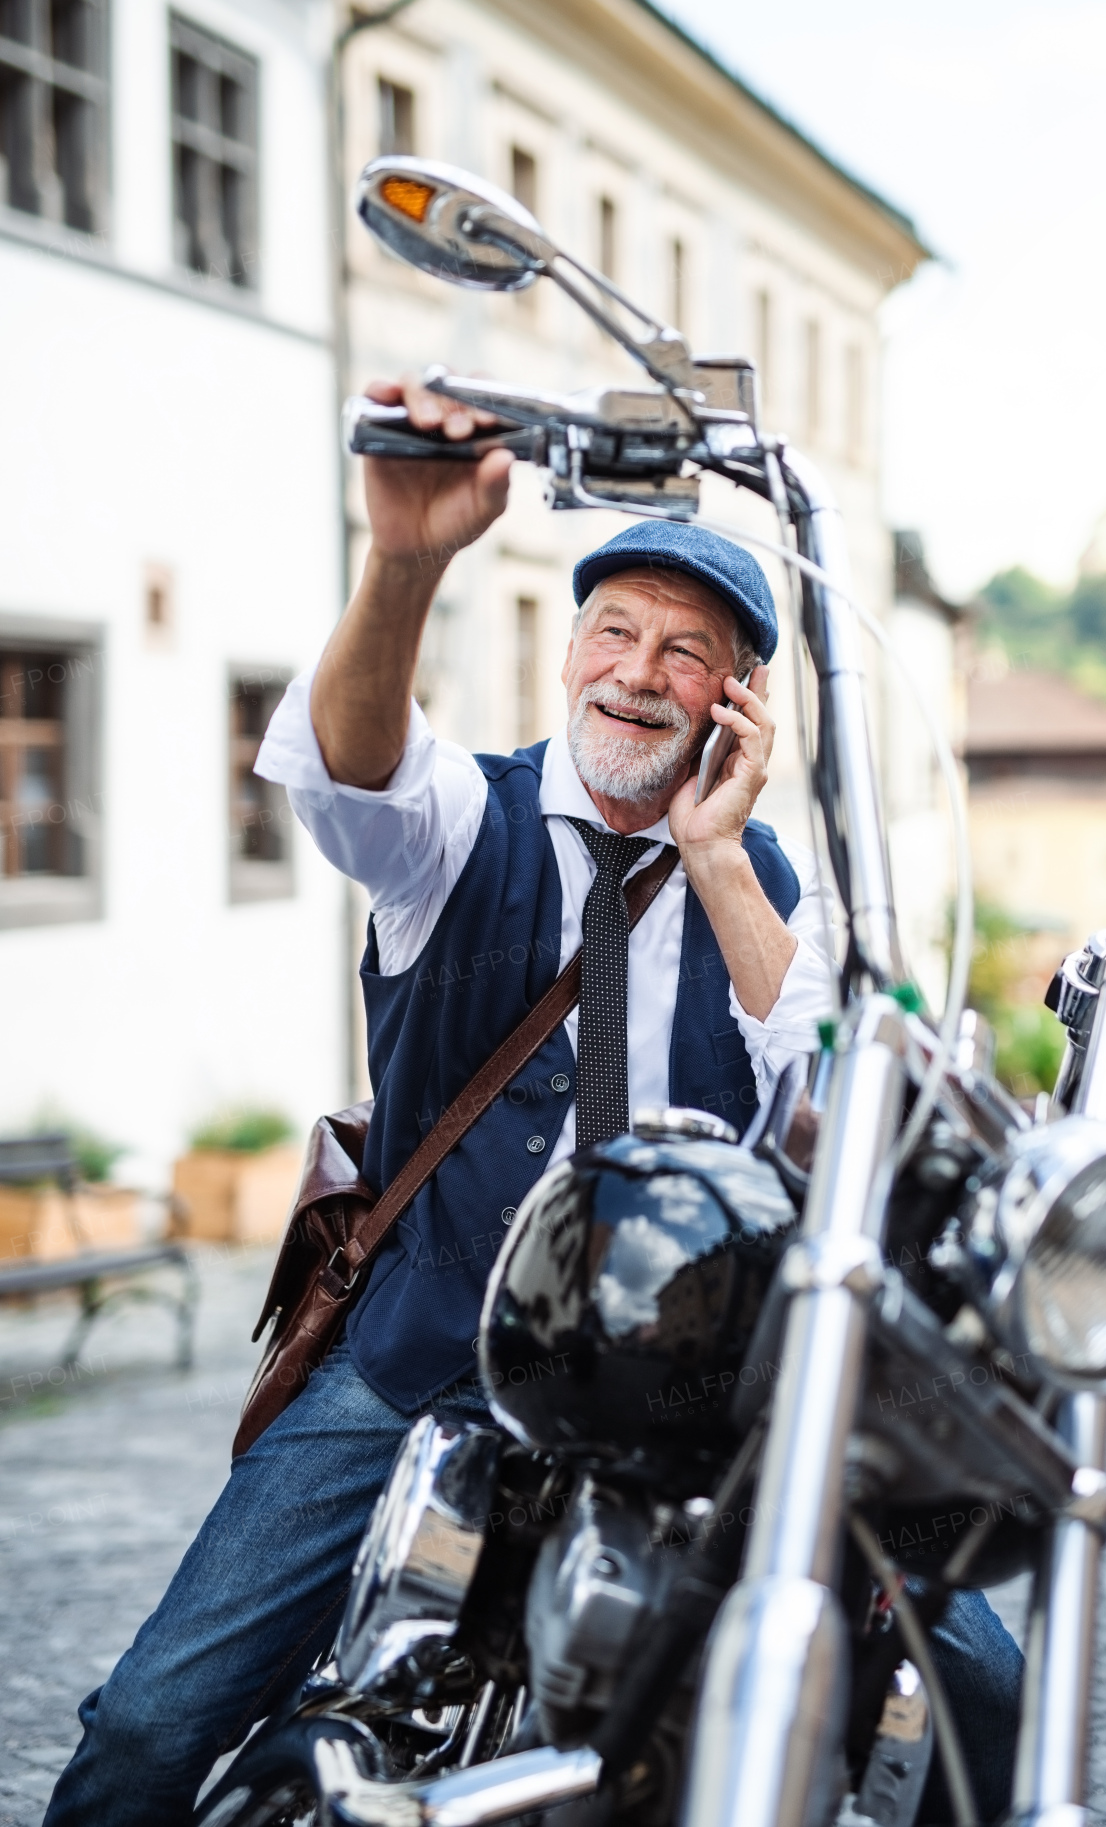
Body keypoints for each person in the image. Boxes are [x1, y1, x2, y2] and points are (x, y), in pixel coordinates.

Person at [45, 378, 1021, 1824]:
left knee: (979, 1678)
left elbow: (829, 1082)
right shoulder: (461, 823)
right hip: (430, 1342)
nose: (640, 672)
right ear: (569, 654)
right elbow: (353, 767)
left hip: (685, 1384)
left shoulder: (771, 891)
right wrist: (409, 559)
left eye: (688, 653)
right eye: (615, 632)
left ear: (736, 699)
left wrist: (719, 857)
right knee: (149, 1722)